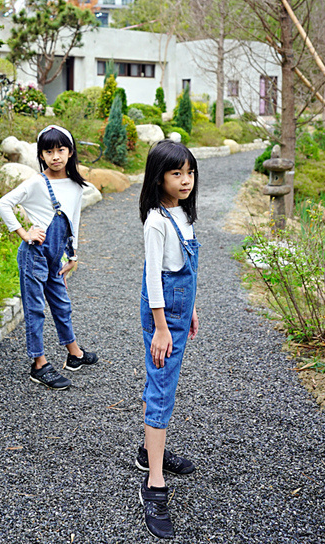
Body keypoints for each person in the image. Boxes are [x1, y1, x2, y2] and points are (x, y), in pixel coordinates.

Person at [0, 124, 99, 390]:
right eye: (48, 151)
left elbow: (73, 220)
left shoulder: (77, 185)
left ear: (70, 152)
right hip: (34, 255)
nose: (55, 156)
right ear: (41, 155)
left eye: (60, 150)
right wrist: (23, 232)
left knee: (62, 305)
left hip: (56, 255)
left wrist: (73, 253)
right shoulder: (37, 183)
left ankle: (74, 354)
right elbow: (2, 204)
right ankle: (39, 364)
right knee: (35, 310)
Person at [137, 140, 200, 539]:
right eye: (176, 173)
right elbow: (154, 277)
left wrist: (191, 307)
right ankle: (154, 484)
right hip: (163, 315)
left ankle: (148, 454)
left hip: (178, 311)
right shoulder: (156, 221)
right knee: (161, 391)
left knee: (164, 386)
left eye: (190, 172)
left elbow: (184, 269)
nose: (185, 180)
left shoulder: (183, 215)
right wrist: (162, 326)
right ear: (158, 177)